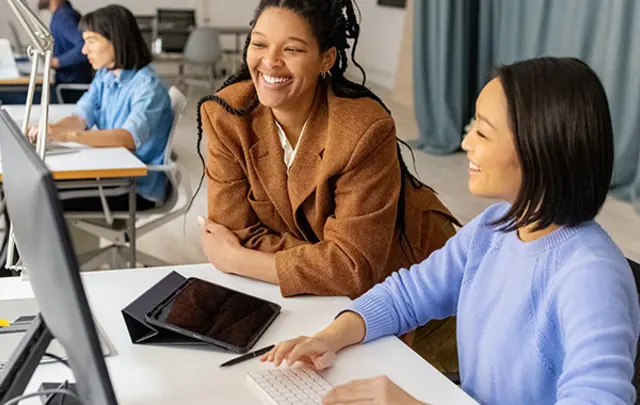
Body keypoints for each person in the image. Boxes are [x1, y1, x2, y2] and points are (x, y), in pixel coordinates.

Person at [262, 57, 640, 405]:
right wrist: (329, 337)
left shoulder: (591, 276)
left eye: (483, 132)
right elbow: (408, 295)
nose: (466, 143)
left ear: (540, 148)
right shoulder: (496, 226)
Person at [196, 0, 459, 372]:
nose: (270, 61)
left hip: (413, 294)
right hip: (317, 300)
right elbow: (235, 230)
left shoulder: (362, 128)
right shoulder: (227, 114)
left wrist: (236, 258)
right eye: (258, 43)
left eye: (292, 49)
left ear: (326, 59)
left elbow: (354, 267)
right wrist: (325, 258)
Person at [28, 4, 174, 211]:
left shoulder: (148, 87)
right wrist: (48, 131)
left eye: (91, 41)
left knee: (35, 201)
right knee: (30, 193)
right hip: (113, 173)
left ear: (116, 40)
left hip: (134, 187)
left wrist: (66, 136)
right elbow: (80, 117)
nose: (83, 50)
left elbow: (127, 139)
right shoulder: (105, 75)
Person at [37, 0, 93, 102]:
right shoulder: (63, 14)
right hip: (69, 82)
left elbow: (84, 45)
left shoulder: (64, 17)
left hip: (71, 85)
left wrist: (57, 62)